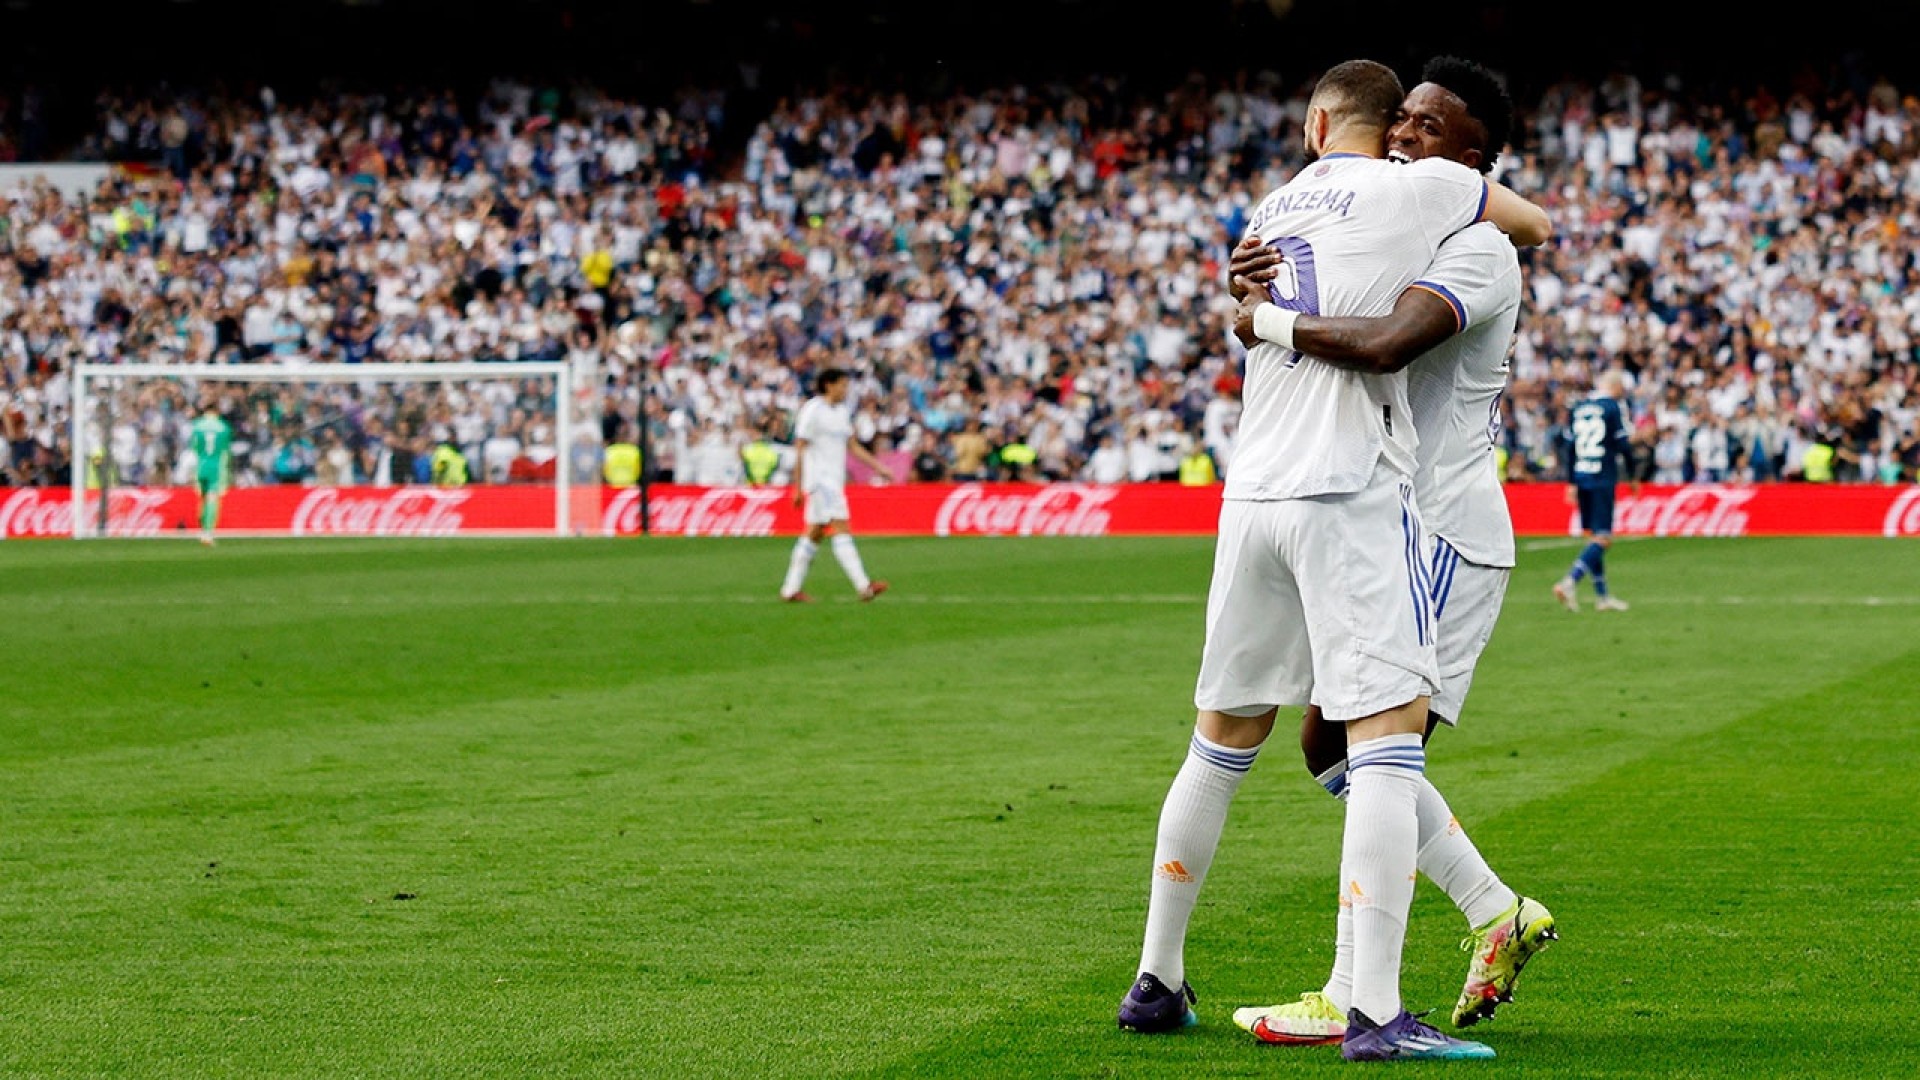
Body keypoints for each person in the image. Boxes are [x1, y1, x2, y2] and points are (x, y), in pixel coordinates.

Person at [1117, 58, 1550, 1063]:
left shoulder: (1471, 245)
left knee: (1357, 746)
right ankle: (1473, 926)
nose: (1405, 137)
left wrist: (1259, 312)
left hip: (1433, 520)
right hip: (1350, 498)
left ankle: (1363, 991)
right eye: (1397, 119)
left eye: (1429, 126)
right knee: (1338, 748)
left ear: (1473, 153)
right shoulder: (1385, 207)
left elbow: (1395, 335)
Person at [780, 367, 896, 603]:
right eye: (842, 385)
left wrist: (878, 467)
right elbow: (800, 448)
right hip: (819, 481)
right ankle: (864, 586)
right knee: (841, 526)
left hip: (833, 479)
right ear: (829, 385)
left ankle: (790, 589)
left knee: (814, 533)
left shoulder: (842, 412)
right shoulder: (812, 410)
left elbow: (852, 445)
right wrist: (797, 486)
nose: (846, 390)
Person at [1553, 369, 1636, 612]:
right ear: (1615, 386)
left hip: (1581, 475)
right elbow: (1623, 444)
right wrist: (1633, 475)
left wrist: (1570, 482)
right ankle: (1570, 581)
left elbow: (1569, 448)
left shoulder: (1578, 408)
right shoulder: (1612, 407)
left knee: (1594, 536)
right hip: (1602, 476)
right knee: (1603, 537)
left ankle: (1602, 597)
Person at [188, 393, 233, 546]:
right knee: (213, 499)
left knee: (203, 498)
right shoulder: (223, 427)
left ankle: (202, 530)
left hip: (200, 466)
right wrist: (226, 471)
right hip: (216, 467)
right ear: (217, 411)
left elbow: (194, 448)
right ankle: (208, 533)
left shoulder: (197, 426)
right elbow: (225, 452)